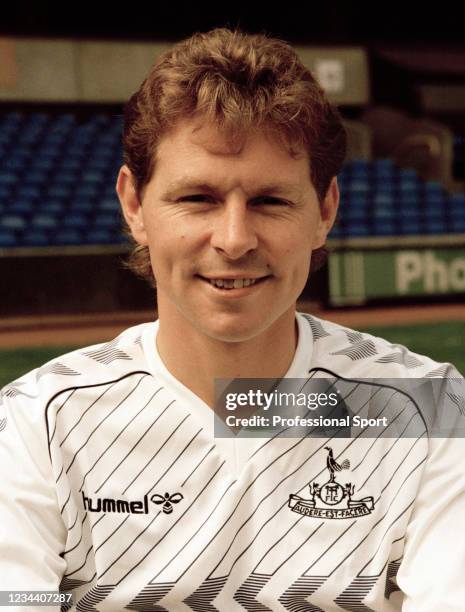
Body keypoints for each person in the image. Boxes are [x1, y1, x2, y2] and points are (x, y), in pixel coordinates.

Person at [0, 28, 464, 612]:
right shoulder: (32, 427)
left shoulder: (432, 411)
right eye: (197, 198)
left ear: (324, 211)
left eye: (271, 201)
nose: (235, 239)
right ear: (135, 205)